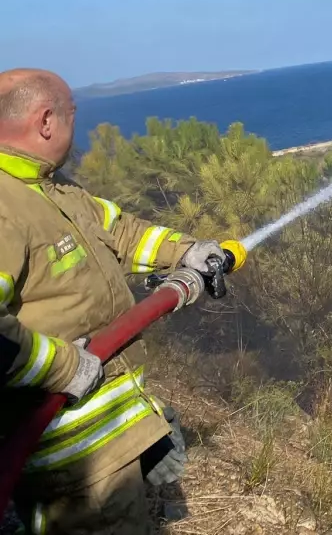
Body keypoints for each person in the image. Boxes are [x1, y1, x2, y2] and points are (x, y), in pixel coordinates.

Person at [0, 68, 227, 535]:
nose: (73, 126)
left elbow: (119, 230)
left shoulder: (52, 187)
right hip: (71, 463)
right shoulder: (5, 206)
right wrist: (65, 368)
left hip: (108, 441)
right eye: (71, 116)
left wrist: (186, 250)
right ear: (46, 121)